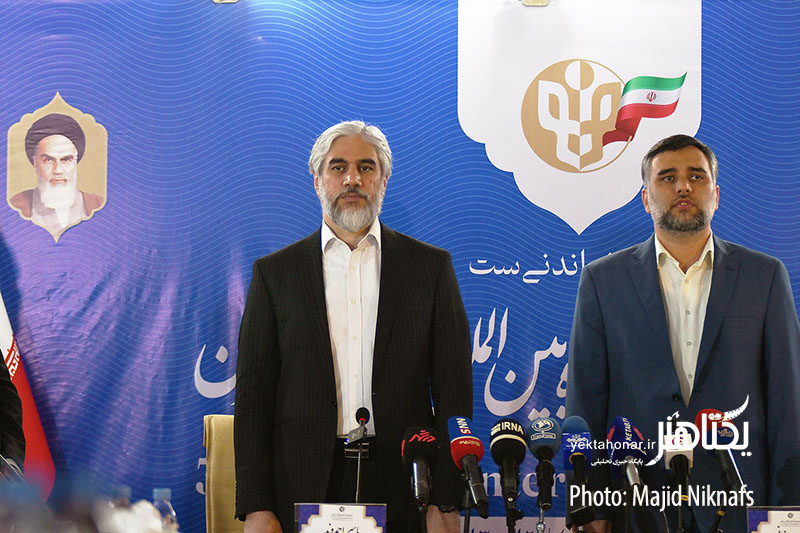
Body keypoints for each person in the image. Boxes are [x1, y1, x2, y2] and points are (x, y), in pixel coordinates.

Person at [234, 120, 472, 533]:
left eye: (366, 167)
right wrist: (257, 506)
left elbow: (455, 391)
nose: (352, 179)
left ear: (384, 181)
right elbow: (254, 397)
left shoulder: (430, 269)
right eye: (338, 167)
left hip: (407, 483)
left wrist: (446, 498)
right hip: (303, 483)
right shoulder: (275, 274)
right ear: (317, 181)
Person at [565, 134, 800, 533]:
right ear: (646, 199)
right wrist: (587, 506)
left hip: (739, 498)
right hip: (636, 501)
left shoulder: (764, 276)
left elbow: (787, 404)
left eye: (696, 176)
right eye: (668, 177)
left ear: (716, 195)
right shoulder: (603, 281)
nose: (684, 187)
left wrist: (787, 513)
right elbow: (585, 403)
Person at [10, 113, 102, 236]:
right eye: (48, 160)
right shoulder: (15, 205)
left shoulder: (98, 204)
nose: (58, 170)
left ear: (75, 162)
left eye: (66, 160)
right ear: (35, 162)